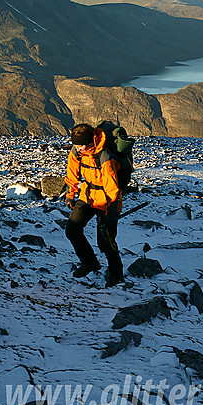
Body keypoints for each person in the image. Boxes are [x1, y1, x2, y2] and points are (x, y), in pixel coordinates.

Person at [64, 123, 124, 287]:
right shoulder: (77, 151)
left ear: (90, 142)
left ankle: (116, 274)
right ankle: (90, 262)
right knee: (72, 230)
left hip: (106, 201)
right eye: (75, 145)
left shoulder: (104, 157)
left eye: (81, 145)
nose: (78, 148)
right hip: (87, 196)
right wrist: (70, 194)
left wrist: (112, 212)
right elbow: (72, 173)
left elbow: (113, 187)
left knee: (106, 240)